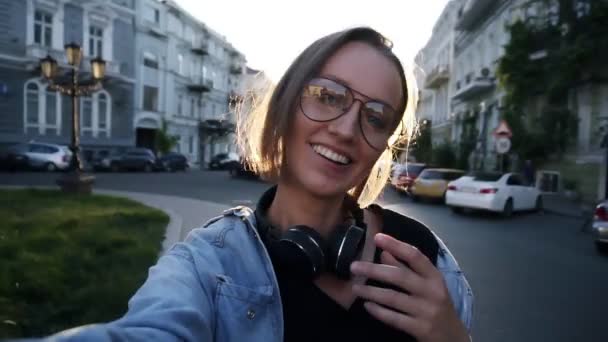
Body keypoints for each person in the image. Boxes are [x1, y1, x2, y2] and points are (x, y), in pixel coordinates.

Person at [25, 27, 473, 342]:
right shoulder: (207, 264)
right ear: (284, 105)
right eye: (328, 96)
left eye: (375, 116)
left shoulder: (422, 257)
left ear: (382, 146)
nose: (345, 129)